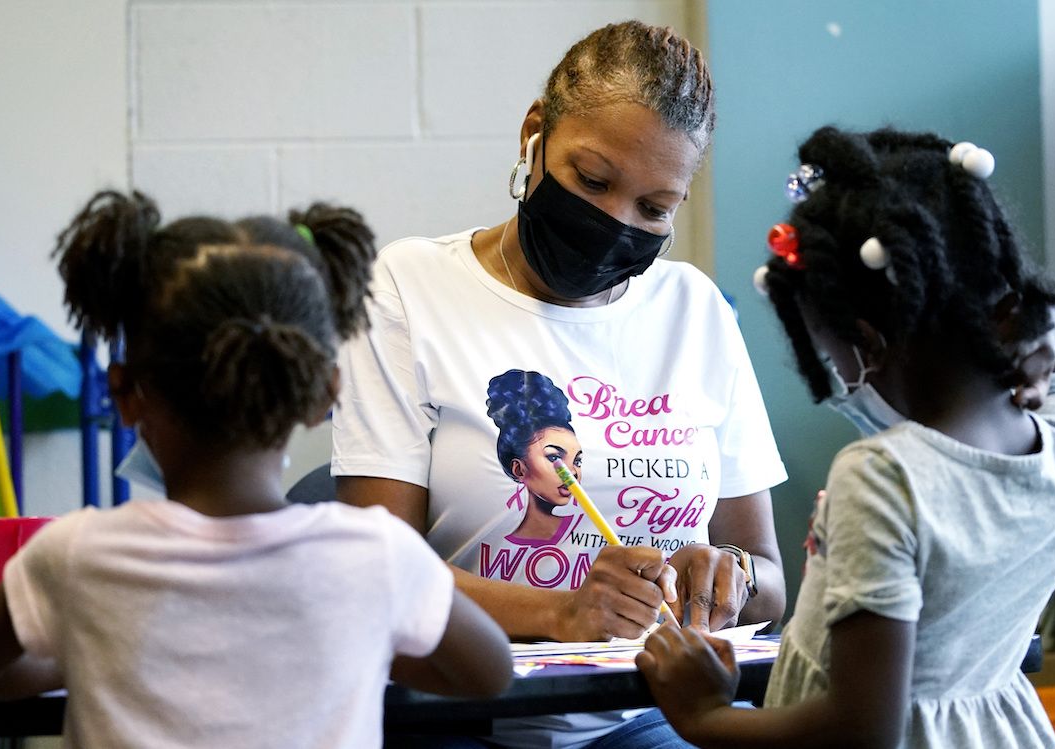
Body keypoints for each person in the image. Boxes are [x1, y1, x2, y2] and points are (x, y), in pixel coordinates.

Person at [331, 19, 788, 748]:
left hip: (648, 714)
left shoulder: (693, 309)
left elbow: (768, 575)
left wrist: (726, 576)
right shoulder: (407, 287)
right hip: (464, 711)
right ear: (533, 134)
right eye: (592, 179)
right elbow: (372, 572)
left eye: (653, 207)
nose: (612, 223)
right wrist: (562, 610)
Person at [0, 191, 513, 748]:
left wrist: (90, 657)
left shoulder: (74, 555)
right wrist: (360, 647)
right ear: (326, 394)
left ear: (123, 394)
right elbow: (490, 673)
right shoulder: (378, 557)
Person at [636, 126, 1055, 748]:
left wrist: (705, 717)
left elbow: (863, 729)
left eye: (832, 353)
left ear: (867, 342)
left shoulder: (884, 479)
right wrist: (1039, 332)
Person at [487, 369, 584, 546]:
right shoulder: (496, 540)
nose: (573, 472)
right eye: (554, 457)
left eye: (577, 461)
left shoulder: (587, 532)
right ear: (519, 469)